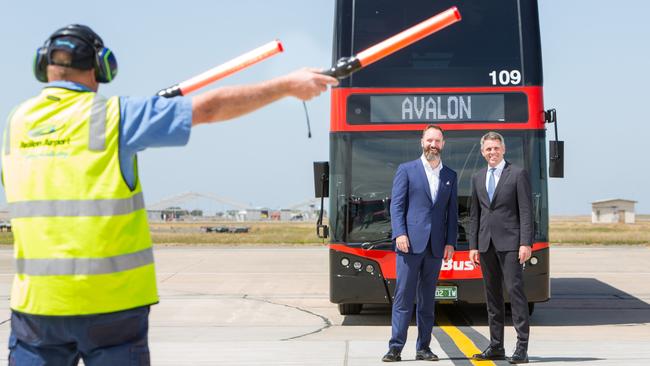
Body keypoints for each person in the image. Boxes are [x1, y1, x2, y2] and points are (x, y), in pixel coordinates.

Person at [1, 24, 337, 366]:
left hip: (37, 309)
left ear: (42, 65)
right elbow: (207, 109)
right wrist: (285, 86)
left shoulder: (17, 123)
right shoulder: (115, 117)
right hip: (111, 306)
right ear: (102, 66)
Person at [382, 125, 457, 362]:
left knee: (427, 301)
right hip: (409, 246)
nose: (433, 145)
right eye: (429, 140)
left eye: (437, 141)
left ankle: (423, 347)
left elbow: (451, 214)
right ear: (421, 142)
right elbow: (397, 206)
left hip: (435, 248)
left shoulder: (450, 176)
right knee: (403, 297)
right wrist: (400, 233)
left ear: (443, 144)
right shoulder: (406, 170)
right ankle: (395, 347)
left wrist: (450, 243)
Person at [468, 131, 533, 364]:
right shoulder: (477, 177)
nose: (492, 152)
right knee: (492, 297)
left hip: (511, 245)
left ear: (503, 149)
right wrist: (473, 245)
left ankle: (521, 348)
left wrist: (526, 242)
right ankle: (496, 346)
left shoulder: (517, 174)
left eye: (496, 148)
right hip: (486, 245)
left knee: (515, 294)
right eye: (488, 149)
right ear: (482, 152)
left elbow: (526, 211)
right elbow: (475, 215)